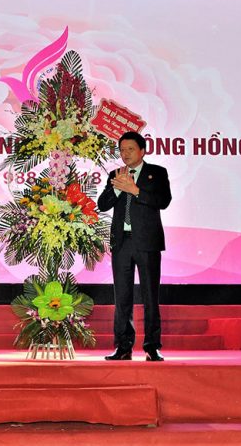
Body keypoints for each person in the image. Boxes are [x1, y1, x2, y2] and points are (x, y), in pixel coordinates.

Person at [98, 131, 171, 361]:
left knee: (150, 296)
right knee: (122, 297)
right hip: (122, 243)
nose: (125, 154)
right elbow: (102, 204)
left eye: (130, 149)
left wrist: (136, 191)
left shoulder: (157, 173)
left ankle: (152, 346)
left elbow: (163, 201)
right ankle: (123, 347)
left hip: (147, 242)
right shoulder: (116, 175)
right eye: (122, 150)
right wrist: (118, 188)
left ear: (142, 151)